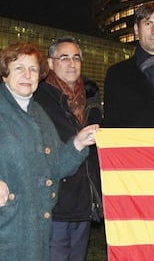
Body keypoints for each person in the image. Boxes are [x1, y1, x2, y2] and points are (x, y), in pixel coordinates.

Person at [0, 42, 98, 261]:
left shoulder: (37, 113)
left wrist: (78, 144)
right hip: (7, 230)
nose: (27, 74)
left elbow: (55, 166)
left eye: (33, 69)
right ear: (5, 75)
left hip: (36, 231)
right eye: (19, 68)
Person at [33, 37, 103, 261]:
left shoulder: (92, 97)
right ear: (50, 63)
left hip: (84, 199)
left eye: (76, 58)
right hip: (55, 201)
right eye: (64, 57)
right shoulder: (38, 98)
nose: (71, 63)